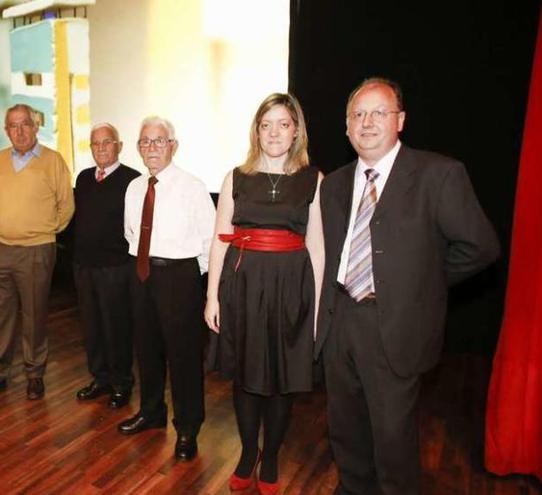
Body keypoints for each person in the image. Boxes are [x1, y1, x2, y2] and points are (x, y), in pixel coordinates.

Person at [316, 78, 500, 494]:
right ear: (346, 127)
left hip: (395, 328)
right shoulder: (334, 185)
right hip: (340, 322)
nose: (366, 123)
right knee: (346, 431)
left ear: (400, 120)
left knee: (393, 442)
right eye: (357, 115)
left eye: (378, 112)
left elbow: (481, 246)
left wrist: (421, 284)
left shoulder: (439, 175)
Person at [205, 93, 324, 493]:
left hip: (291, 289)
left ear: (296, 132)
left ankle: (270, 454)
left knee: (282, 378)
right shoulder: (235, 177)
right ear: (257, 131)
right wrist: (211, 298)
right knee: (245, 377)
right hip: (243, 287)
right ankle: (246, 452)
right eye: (266, 124)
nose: (274, 132)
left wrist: (318, 310)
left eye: (283, 124)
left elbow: (318, 248)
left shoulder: (314, 179)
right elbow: (220, 241)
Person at [117, 116, 215, 462]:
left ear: (174, 145)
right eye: (145, 141)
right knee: (146, 349)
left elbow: (209, 241)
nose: (152, 147)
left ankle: (188, 428)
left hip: (179, 277)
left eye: (159, 141)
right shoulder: (133, 187)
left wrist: (189, 279)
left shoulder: (193, 186)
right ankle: (151, 411)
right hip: (141, 272)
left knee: (184, 356)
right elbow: (132, 234)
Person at [0, 104, 75, 402]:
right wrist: (7, 225)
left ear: (36, 126)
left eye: (25, 124)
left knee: (34, 315)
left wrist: (42, 230)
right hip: (0, 248)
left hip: (36, 250)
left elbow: (66, 205)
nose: (19, 131)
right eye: (12, 126)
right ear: (6, 130)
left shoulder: (52, 161)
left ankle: (35, 374)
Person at [73, 123, 140, 409]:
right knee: (92, 327)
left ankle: (121, 382)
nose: (100, 148)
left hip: (116, 268)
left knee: (116, 328)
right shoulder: (85, 177)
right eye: (95, 144)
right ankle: (100, 378)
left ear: (119, 146)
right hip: (84, 266)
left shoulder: (133, 180)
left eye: (106, 142)